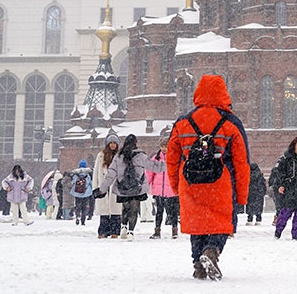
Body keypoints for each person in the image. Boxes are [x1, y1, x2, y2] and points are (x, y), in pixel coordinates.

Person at [166, 74, 250, 281]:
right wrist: (242, 195)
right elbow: (242, 162)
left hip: (190, 181)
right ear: (224, 93)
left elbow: (172, 158)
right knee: (221, 222)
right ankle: (211, 251)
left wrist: (176, 186)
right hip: (220, 182)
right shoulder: (231, 122)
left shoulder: (183, 122)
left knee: (197, 223)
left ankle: (198, 264)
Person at [93, 133, 165, 240]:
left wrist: (102, 189)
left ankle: (123, 227)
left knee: (125, 208)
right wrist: (171, 163)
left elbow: (110, 175)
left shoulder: (119, 156)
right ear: (136, 143)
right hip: (137, 188)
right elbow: (155, 167)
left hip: (123, 188)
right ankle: (130, 231)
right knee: (133, 210)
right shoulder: (140, 156)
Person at [147, 135, 179, 239]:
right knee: (159, 212)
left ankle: (174, 230)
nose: (164, 148)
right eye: (162, 146)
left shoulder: (175, 157)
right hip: (159, 190)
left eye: (166, 146)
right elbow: (149, 173)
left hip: (171, 190)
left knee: (173, 212)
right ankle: (157, 230)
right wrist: (146, 184)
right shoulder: (155, 159)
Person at [93, 134, 122, 238]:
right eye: (111, 143)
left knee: (116, 210)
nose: (113, 145)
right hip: (104, 185)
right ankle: (103, 231)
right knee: (104, 211)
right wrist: (95, 187)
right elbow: (96, 172)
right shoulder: (101, 156)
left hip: (116, 186)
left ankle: (115, 231)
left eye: (115, 143)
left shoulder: (120, 156)